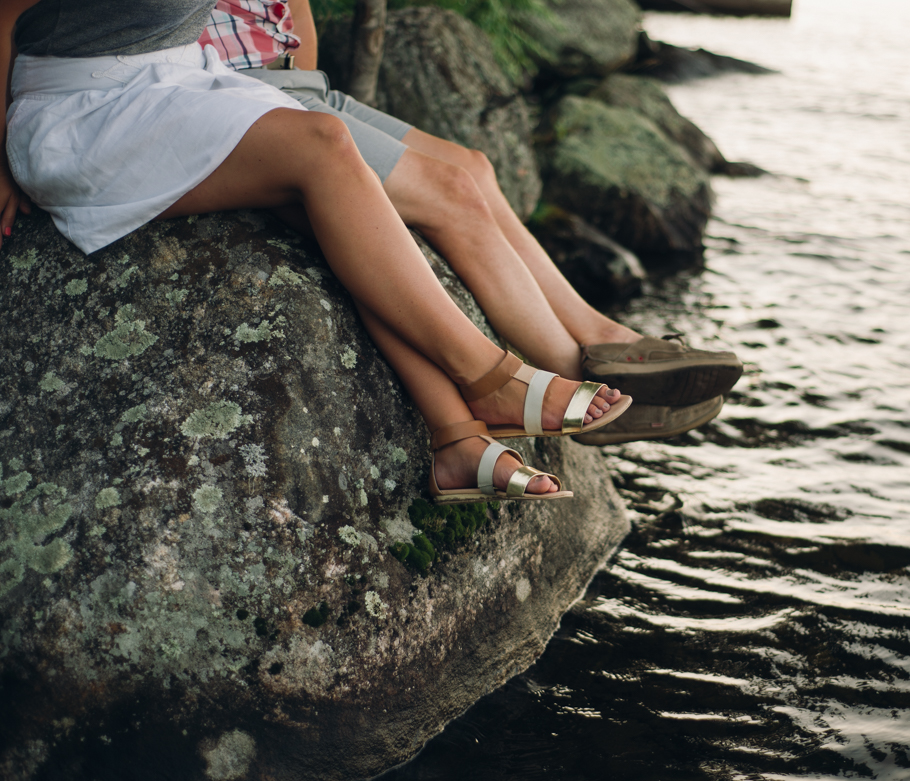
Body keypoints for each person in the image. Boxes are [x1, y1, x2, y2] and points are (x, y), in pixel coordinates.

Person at [0, 0, 634, 505]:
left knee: (331, 211)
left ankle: (456, 440)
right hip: (84, 109)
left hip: (186, 82)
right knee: (323, 147)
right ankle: (489, 375)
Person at [197, 0, 743, 444]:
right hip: (241, 94)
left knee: (474, 167)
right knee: (451, 193)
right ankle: (580, 374)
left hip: (301, 84)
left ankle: (604, 335)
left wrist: (308, 81)